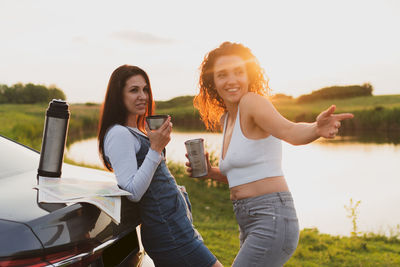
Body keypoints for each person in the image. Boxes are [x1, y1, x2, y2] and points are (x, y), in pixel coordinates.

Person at [186, 42, 354, 267]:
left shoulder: (252, 103)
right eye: (222, 75)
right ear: (212, 82)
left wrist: (316, 128)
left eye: (239, 72)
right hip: (249, 220)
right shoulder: (226, 120)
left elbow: (290, 130)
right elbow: (242, 178)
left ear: (249, 76)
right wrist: (210, 172)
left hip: (271, 217)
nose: (232, 80)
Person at [98, 65, 222, 267]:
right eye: (134, 90)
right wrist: (155, 148)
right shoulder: (119, 134)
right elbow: (132, 191)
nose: (143, 96)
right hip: (168, 233)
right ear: (118, 96)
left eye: (145, 89)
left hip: (177, 227)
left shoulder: (136, 130)